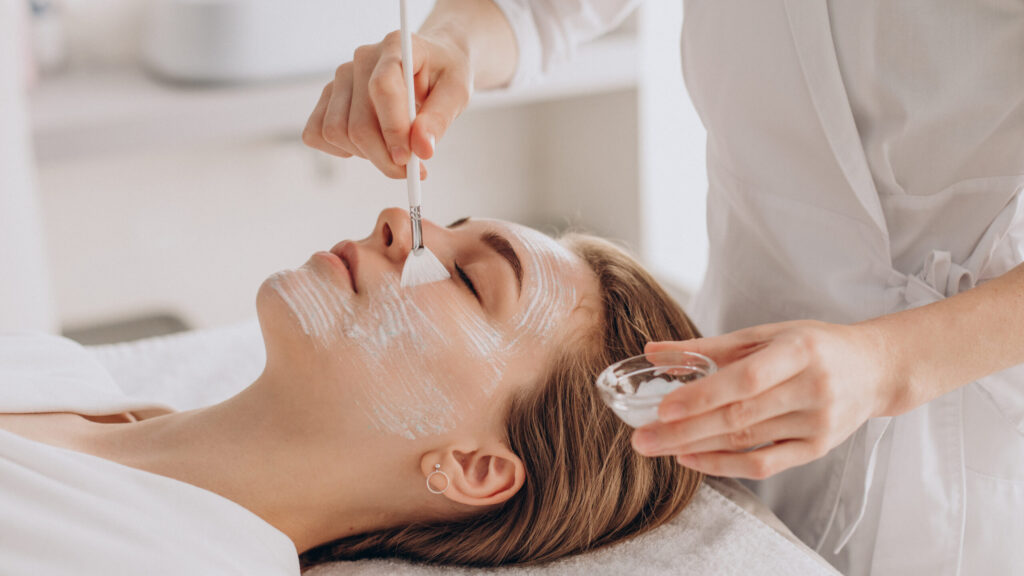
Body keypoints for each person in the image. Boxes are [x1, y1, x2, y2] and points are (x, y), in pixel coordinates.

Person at [301, 2, 1024, 575]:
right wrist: (454, 42)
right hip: (741, 407)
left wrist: (893, 363)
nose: (397, 218)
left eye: (468, 279)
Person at [0, 208, 706, 574]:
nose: (398, 222)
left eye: (467, 280)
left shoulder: (175, 565)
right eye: (446, 225)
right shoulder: (53, 367)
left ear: (473, 466)